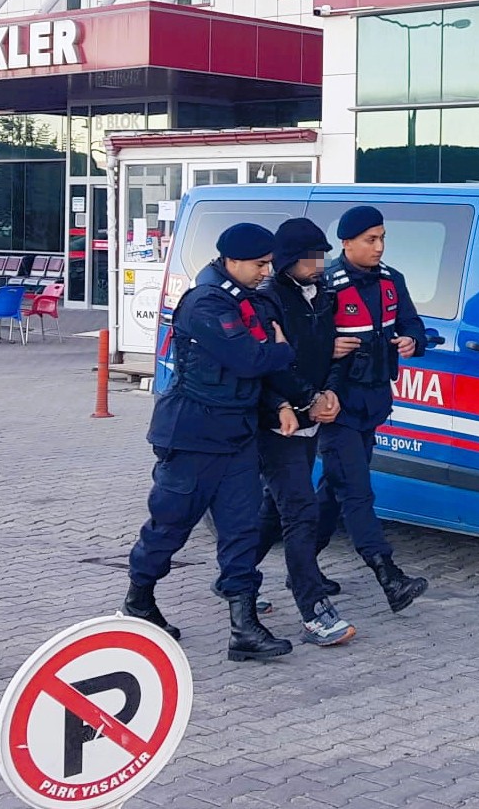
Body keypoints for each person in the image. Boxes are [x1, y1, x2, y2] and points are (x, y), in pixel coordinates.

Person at [122, 222, 300, 663]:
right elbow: (249, 359)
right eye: (260, 264)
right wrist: (282, 351)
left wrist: (277, 400)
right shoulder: (205, 303)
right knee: (170, 525)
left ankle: (244, 629)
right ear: (233, 260)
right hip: (192, 437)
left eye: (269, 264)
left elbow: (258, 371)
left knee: (240, 530)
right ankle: (139, 600)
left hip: (236, 435)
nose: (266, 272)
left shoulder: (247, 301)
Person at [318, 205, 430, 613]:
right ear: (346, 242)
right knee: (356, 490)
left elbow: (414, 325)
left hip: (373, 401)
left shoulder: (391, 281)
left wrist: (411, 342)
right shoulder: (326, 285)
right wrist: (327, 348)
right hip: (336, 405)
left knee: (332, 489)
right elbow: (302, 345)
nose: (379, 247)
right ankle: (389, 576)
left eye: (382, 238)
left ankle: (288, 565)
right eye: (370, 239)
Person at [254, 218, 356, 646]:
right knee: (301, 512)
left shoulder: (325, 294)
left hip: (314, 416)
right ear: (288, 259)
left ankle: (234, 577)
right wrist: (301, 399)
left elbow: (335, 349)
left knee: (275, 511)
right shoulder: (267, 300)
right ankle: (314, 611)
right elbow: (271, 363)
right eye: (311, 256)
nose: (320, 263)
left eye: (322, 255)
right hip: (277, 422)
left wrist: (329, 392)